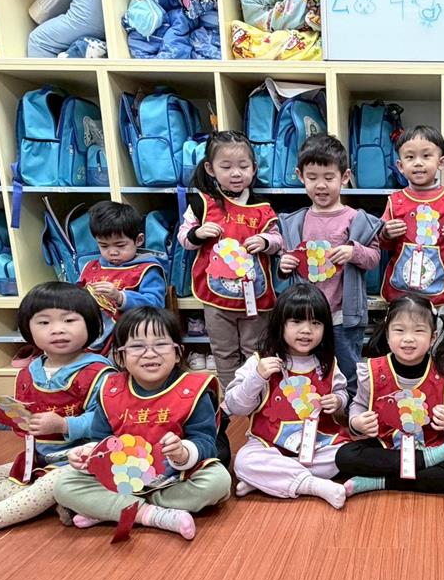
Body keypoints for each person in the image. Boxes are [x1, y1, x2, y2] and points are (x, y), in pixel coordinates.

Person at [0, 283, 113, 547]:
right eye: (44, 322)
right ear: (27, 328)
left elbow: (109, 422)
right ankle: (58, 503)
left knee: (57, 481)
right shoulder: (29, 372)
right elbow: (23, 419)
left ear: (91, 324)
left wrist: (64, 424)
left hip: (81, 462)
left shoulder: (98, 372)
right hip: (39, 460)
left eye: (69, 320)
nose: (57, 329)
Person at [54, 307, 232, 539]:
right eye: (137, 346)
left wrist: (183, 452)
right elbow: (100, 440)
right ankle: (153, 514)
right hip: (121, 476)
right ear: (120, 357)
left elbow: (206, 442)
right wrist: (89, 453)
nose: (150, 353)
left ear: (178, 353)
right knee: (64, 484)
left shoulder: (193, 390)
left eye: (161, 344)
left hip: (173, 479)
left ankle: (114, 508)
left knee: (218, 482)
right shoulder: (110, 390)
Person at [178, 130, 285, 463]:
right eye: (226, 167)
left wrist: (265, 242)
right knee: (223, 352)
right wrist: (198, 233)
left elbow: (279, 240)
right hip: (216, 298)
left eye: (243, 166)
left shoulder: (263, 208)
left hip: (256, 299)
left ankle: (257, 400)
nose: (236, 173)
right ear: (211, 169)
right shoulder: (201, 203)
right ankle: (231, 402)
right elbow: (183, 238)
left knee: (255, 350)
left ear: (254, 168)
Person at [279, 133, 381, 402]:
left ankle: (351, 413)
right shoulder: (295, 222)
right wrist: (284, 264)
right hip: (306, 316)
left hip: (342, 316)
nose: (321, 185)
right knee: (308, 369)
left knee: (348, 370)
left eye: (329, 177)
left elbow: (374, 258)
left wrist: (353, 251)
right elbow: (286, 259)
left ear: (344, 177)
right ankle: (314, 412)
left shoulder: (358, 220)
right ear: (300, 176)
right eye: (312, 177)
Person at [226, 283, 349, 508]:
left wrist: (338, 400)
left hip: (317, 443)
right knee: (244, 461)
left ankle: (268, 480)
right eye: (297, 321)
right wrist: (257, 377)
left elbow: (341, 391)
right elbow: (235, 406)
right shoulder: (260, 361)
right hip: (269, 443)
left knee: (345, 454)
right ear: (280, 324)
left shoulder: (327, 363)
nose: (306, 330)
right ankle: (312, 485)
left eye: (316, 323)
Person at [336, 295, 444, 496]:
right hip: (385, 445)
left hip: (429, 444)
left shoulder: (443, 373)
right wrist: (356, 422)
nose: (408, 338)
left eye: (419, 331)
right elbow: (359, 405)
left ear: (433, 337)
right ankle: (426, 461)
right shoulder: (372, 371)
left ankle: (380, 481)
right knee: (345, 456)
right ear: (388, 335)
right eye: (399, 330)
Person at [379, 125, 444, 317]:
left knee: (441, 335)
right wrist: (385, 233)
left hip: (441, 295)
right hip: (401, 294)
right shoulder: (395, 201)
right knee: (403, 333)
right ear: (400, 166)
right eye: (410, 157)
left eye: (426, 156)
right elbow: (381, 241)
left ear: (441, 162)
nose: (418, 163)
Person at [77, 200, 165, 354]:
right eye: (104, 246)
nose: (112, 252)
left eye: (120, 245)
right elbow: (75, 298)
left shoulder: (146, 269)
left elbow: (156, 305)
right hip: (90, 332)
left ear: (139, 240)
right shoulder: (91, 267)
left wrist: (120, 297)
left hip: (128, 337)